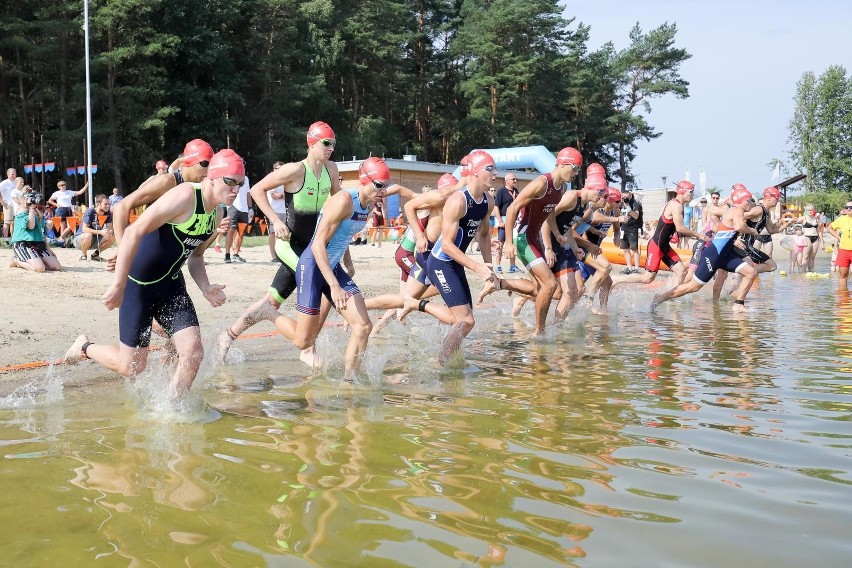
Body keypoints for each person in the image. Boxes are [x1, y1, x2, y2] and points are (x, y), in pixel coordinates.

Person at [64, 149, 243, 400]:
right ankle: (84, 347)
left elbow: (197, 256)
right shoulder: (184, 195)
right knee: (132, 367)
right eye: (230, 182)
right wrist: (119, 283)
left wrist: (205, 286)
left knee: (193, 352)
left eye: (241, 184)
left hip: (171, 286)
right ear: (212, 177)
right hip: (138, 285)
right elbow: (135, 231)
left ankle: (171, 410)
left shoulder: (218, 213)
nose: (236, 189)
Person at [255, 157, 402, 380]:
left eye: (386, 186)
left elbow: (342, 237)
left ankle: (349, 381)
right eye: (379, 185)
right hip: (313, 265)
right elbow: (317, 245)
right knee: (303, 341)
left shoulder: (371, 203)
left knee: (363, 326)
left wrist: (348, 265)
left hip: (332, 266)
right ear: (365, 181)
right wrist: (333, 285)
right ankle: (268, 312)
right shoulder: (343, 200)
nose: (384, 191)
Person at [219, 121, 342, 366]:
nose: (331, 148)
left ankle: (229, 334)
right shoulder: (296, 170)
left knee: (272, 300)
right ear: (312, 142)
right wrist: (275, 220)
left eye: (333, 144)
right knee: (318, 283)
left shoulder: (331, 169)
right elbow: (256, 190)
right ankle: (308, 348)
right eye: (326, 143)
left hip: (312, 246)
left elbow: (338, 199)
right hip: (289, 244)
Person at [402, 150, 496, 365]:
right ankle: (440, 363)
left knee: (463, 320)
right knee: (466, 320)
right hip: (441, 262)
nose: (494, 173)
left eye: (494, 168)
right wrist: (476, 267)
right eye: (489, 168)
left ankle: (449, 357)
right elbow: (446, 244)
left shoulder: (488, 201)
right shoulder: (457, 200)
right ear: (474, 172)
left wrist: (489, 265)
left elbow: (483, 235)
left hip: (456, 263)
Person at [477, 147, 581, 335]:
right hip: (523, 236)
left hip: (535, 238)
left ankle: (499, 284)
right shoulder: (542, 182)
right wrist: (508, 242)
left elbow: (549, 212)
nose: (575, 173)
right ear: (564, 164)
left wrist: (557, 233)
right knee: (550, 284)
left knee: (547, 290)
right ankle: (539, 333)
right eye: (575, 169)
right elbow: (512, 208)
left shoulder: (562, 188)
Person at [651, 186, 759, 313]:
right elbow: (740, 226)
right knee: (692, 287)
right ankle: (660, 298)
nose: (752, 203)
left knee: (751, 272)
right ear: (743, 201)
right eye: (750, 200)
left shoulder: (734, 210)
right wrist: (752, 231)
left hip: (724, 256)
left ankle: (738, 304)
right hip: (712, 255)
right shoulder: (737, 210)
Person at [111, 139, 215, 265]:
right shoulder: (168, 182)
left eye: (212, 165)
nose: (209, 170)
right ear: (188, 162)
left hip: (168, 262)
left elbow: (196, 247)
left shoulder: (200, 188)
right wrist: (124, 251)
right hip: (145, 255)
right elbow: (121, 206)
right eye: (204, 163)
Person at [611, 180, 705, 289]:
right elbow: (680, 228)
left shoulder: (678, 205)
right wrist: (699, 235)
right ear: (682, 192)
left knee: (681, 272)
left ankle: (671, 297)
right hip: (656, 246)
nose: (693, 194)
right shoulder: (676, 205)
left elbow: (673, 228)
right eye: (691, 192)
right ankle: (616, 279)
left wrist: (681, 238)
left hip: (664, 246)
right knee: (647, 278)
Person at [9, 188, 61, 272]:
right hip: (23, 243)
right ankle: (16, 260)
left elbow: (41, 231)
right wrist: (31, 210)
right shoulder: (22, 209)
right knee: (40, 268)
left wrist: (48, 248)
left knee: (56, 267)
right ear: (24, 198)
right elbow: (31, 226)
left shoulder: (36, 211)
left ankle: (36, 259)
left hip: (38, 243)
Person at [493, 173, 520, 273]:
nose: (515, 181)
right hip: (504, 219)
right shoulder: (501, 191)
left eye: (515, 179)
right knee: (500, 243)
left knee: (512, 243)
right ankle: (498, 265)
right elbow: (496, 207)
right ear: (507, 180)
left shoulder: (516, 191)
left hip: (514, 220)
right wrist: (500, 221)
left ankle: (512, 266)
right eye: (513, 179)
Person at [75, 194, 115, 261]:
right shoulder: (90, 211)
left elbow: (110, 228)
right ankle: (83, 255)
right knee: (88, 235)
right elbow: (84, 229)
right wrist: (100, 232)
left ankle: (95, 255)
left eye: (109, 204)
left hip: (95, 239)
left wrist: (109, 231)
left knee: (112, 237)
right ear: (98, 204)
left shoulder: (108, 213)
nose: (108, 206)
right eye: (105, 204)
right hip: (80, 239)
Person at [224, 175, 252, 263]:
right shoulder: (229, 176)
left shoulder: (246, 178)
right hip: (233, 206)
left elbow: (248, 193)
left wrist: (250, 207)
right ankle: (227, 255)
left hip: (244, 208)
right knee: (231, 230)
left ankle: (236, 254)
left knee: (241, 232)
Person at [826, 200, 852, 290]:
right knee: (843, 274)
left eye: (851, 207)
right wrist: (838, 238)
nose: (849, 209)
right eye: (847, 207)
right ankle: (844, 298)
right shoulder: (841, 219)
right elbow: (829, 228)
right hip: (844, 250)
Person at [265, 161, 287, 262]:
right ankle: (273, 255)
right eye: (277, 169)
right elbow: (274, 196)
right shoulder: (272, 180)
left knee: (283, 234)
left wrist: (281, 196)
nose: (280, 171)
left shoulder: (286, 181)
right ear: (274, 170)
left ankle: (281, 255)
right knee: (273, 233)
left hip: (285, 211)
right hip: (274, 211)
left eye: (282, 169)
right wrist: (282, 196)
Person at [618, 188, 643, 273]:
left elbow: (636, 216)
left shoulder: (635, 203)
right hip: (623, 229)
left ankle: (636, 269)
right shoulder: (620, 204)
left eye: (627, 197)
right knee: (625, 249)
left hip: (632, 229)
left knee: (634, 249)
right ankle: (629, 268)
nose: (625, 199)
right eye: (623, 197)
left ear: (630, 196)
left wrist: (628, 206)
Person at [797, 203, 823, 272]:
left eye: (811, 210)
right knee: (805, 256)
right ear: (806, 211)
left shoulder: (816, 219)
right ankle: (802, 273)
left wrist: (822, 242)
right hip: (807, 238)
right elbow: (794, 222)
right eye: (808, 210)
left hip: (815, 238)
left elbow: (819, 229)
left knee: (812, 257)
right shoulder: (804, 218)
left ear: (813, 210)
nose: (810, 211)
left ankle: (811, 272)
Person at [0, 167, 17, 241]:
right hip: (8, 205)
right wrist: (2, 202)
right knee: (7, 223)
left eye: (15, 174)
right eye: (12, 174)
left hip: (15, 205)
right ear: (8, 174)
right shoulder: (4, 183)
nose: (14, 176)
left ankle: (13, 239)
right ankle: (5, 239)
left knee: (13, 223)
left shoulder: (16, 182)